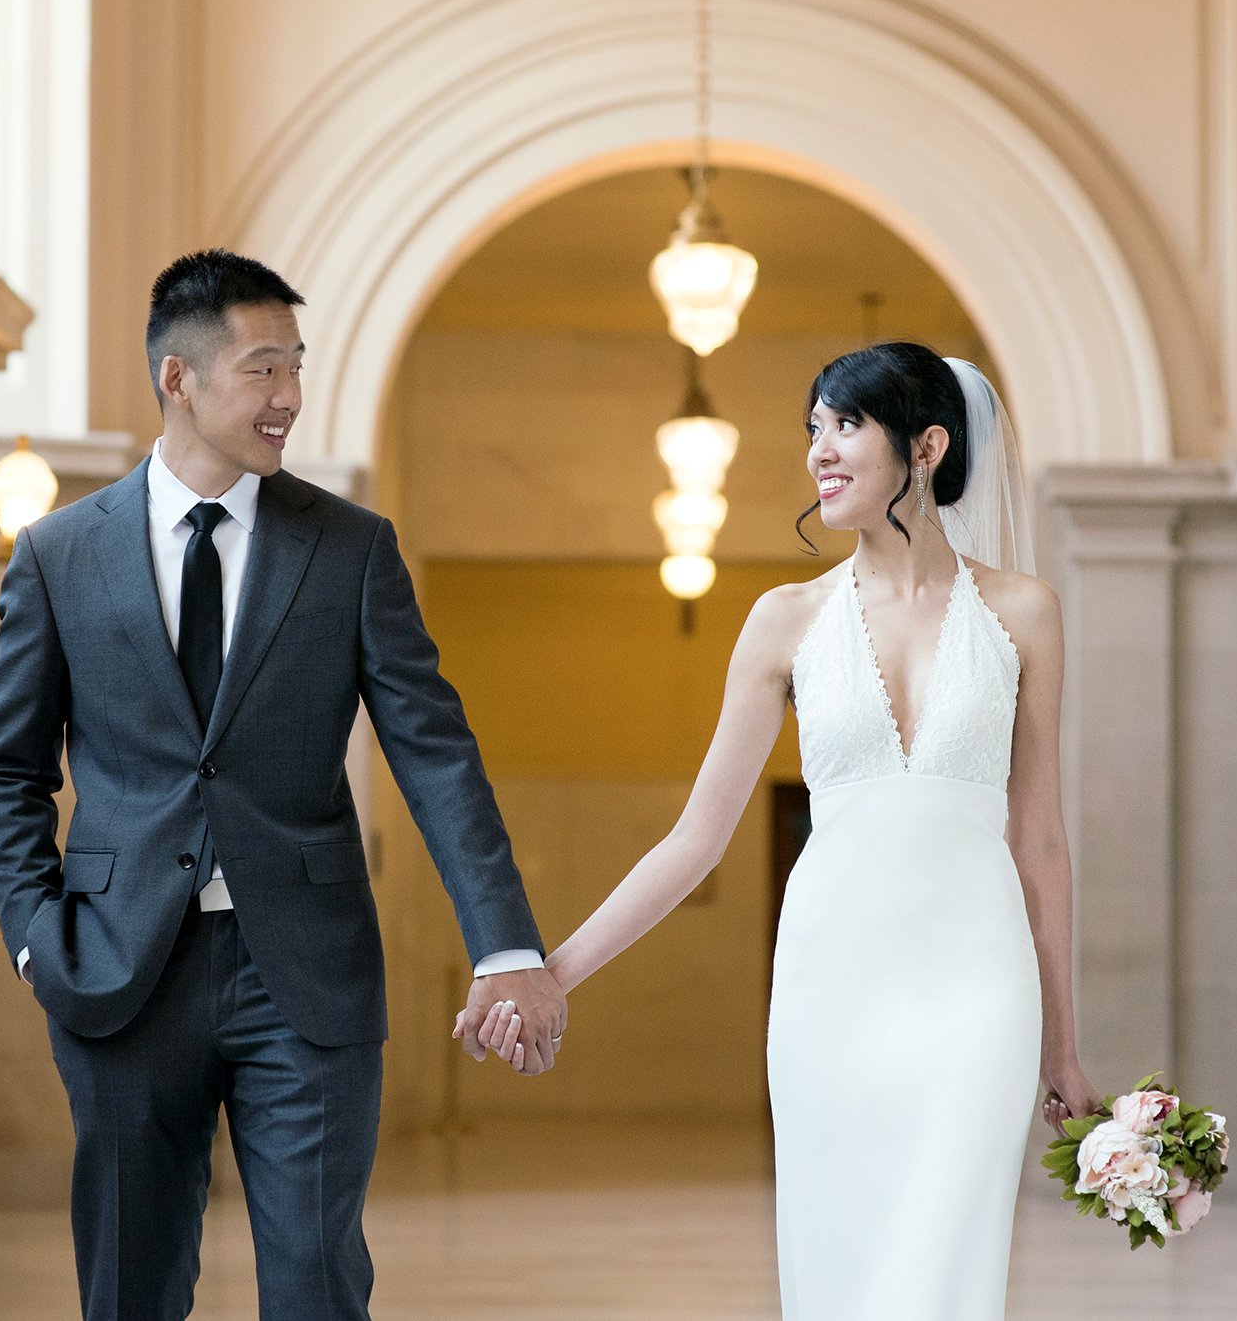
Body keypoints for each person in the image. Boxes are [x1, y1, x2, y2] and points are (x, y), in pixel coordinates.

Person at [0, 248, 566, 1321]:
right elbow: (9, 771)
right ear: (178, 378)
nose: (288, 397)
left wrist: (506, 943)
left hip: (305, 970)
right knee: (128, 1286)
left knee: (314, 1282)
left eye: (295, 367)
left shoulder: (349, 550)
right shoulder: (58, 554)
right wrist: (33, 933)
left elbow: (433, 749)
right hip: (115, 970)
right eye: (262, 369)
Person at [464, 340, 1098, 1319]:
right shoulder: (782, 621)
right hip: (827, 987)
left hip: (980, 986)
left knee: (950, 1263)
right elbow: (694, 838)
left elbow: (1041, 839)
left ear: (927, 445)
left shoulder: (1026, 613)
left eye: (847, 424)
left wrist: (1062, 1041)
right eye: (812, 427)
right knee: (843, 1265)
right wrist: (555, 968)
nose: (819, 450)